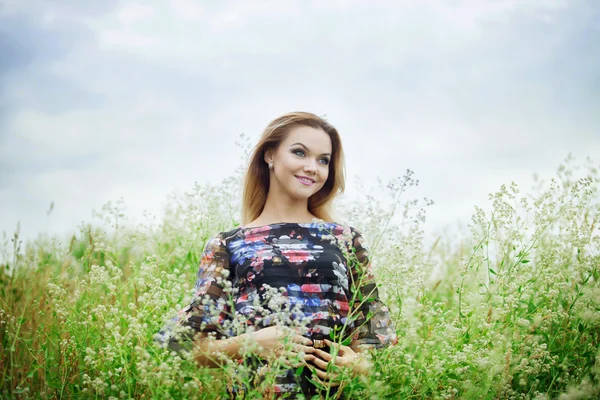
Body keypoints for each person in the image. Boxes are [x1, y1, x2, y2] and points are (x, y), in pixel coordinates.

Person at [155, 112, 397, 398]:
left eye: (323, 160)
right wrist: (251, 343)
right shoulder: (228, 244)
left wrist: (356, 365)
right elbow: (194, 349)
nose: (312, 168)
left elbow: (368, 344)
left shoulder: (346, 240)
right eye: (299, 153)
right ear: (269, 155)